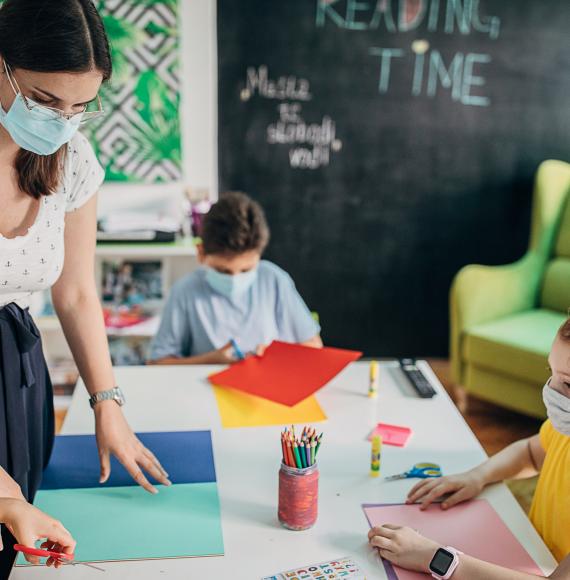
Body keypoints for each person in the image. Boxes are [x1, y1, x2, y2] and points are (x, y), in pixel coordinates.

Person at [0, 0, 169, 575]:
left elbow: (74, 292)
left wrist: (106, 404)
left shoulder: (70, 159)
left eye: (80, 107)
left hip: (17, 376)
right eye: (45, 102)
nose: (61, 122)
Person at [368, 318, 570, 578]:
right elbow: (531, 453)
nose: (550, 392)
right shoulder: (563, 430)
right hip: (532, 549)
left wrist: (435, 558)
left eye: (567, 383)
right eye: (550, 372)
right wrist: (477, 476)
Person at [149, 192, 322, 364]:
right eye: (223, 270)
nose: (235, 279)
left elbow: (314, 345)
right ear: (201, 253)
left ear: (259, 255)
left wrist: (277, 355)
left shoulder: (274, 280)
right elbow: (158, 363)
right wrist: (209, 360)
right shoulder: (185, 291)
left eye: (246, 270)